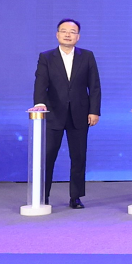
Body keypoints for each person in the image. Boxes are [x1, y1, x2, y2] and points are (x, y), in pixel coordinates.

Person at [29, 19, 101, 209]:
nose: (68, 34)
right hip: (53, 113)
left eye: (72, 31)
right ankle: (42, 196)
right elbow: (40, 83)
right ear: (57, 34)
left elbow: (94, 86)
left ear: (78, 36)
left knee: (78, 157)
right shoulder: (46, 57)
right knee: (48, 156)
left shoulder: (87, 56)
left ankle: (75, 197)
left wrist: (94, 111)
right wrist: (39, 104)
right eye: (64, 31)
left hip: (80, 114)